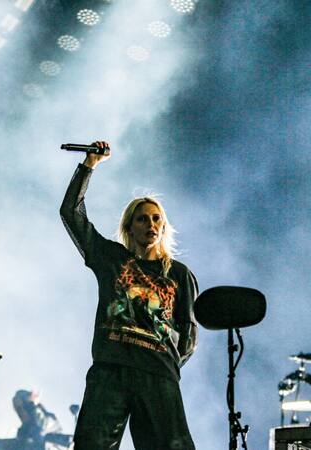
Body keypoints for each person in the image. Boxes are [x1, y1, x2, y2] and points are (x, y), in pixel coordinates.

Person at [60, 141, 198, 449]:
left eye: (156, 218)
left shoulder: (179, 274)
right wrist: (89, 165)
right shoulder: (111, 258)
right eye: (142, 218)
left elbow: (188, 334)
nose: (151, 224)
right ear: (129, 227)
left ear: (164, 227)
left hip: (157, 373)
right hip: (110, 369)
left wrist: (164, 361)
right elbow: (71, 213)